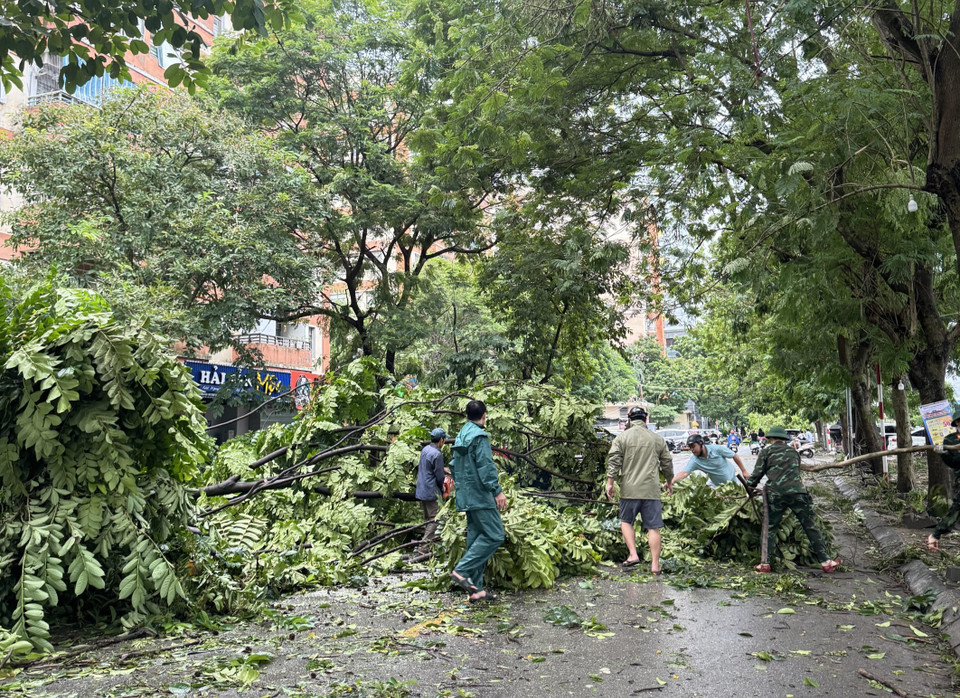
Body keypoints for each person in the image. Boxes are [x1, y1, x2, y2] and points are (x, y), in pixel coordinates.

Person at [746, 426, 841, 573]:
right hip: (798, 493)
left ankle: (765, 563)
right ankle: (826, 561)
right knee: (810, 525)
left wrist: (749, 486)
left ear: (770, 439)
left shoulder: (766, 452)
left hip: (776, 494)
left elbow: (757, 474)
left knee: (769, 527)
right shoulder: (793, 452)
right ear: (784, 439)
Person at [449, 400, 507, 603]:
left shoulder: (461, 435)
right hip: (481, 496)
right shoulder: (479, 437)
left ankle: (476, 590)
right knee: (495, 535)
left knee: (475, 540)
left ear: (467, 416)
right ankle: (462, 570)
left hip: (466, 496)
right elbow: (485, 465)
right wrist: (497, 491)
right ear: (484, 415)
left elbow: (453, 465)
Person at [605, 406, 674, 574]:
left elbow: (614, 461)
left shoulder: (622, 438)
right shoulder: (657, 439)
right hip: (651, 490)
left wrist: (610, 483)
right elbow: (667, 462)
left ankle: (633, 554)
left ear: (629, 419)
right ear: (646, 419)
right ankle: (655, 565)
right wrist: (669, 482)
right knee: (653, 527)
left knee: (626, 521)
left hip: (629, 490)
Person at [926, 415, 960, 551]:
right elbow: (954, 463)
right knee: (957, 507)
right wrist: (944, 454)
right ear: (957, 423)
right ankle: (935, 535)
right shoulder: (950, 440)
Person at [415, 427, 451, 554]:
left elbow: (428, 466)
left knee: (428, 519)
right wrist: (443, 489)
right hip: (431, 491)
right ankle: (423, 548)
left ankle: (430, 546)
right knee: (435, 519)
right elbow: (439, 477)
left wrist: (442, 468)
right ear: (441, 440)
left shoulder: (425, 449)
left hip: (422, 489)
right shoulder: (437, 454)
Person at [671, 433, 749, 488]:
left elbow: (734, 455)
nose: (692, 450)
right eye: (690, 448)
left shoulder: (717, 449)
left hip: (733, 481)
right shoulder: (695, 460)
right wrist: (671, 482)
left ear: (701, 443)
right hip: (717, 486)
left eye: (693, 447)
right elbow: (684, 473)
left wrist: (744, 471)